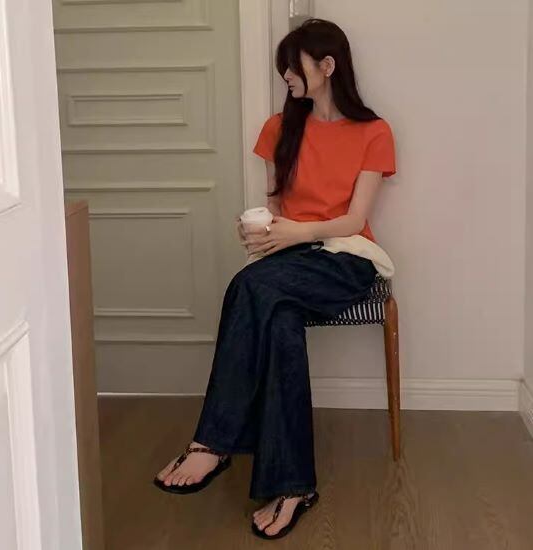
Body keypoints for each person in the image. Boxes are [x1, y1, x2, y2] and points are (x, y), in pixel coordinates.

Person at [153, 18, 397, 540]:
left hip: (345, 258)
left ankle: (213, 443)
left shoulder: (374, 132)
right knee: (280, 319)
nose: (285, 75)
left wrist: (295, 233)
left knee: (248, 286)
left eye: (293, 66)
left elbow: (354, 220)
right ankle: (293, 486)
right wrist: (259, 232)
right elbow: (274, 210)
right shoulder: (278, 128)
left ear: (327, 66)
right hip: (291, 258)